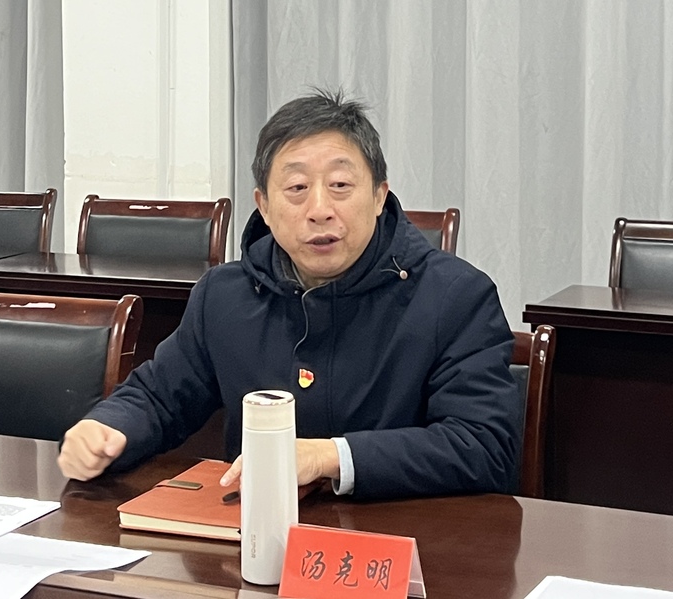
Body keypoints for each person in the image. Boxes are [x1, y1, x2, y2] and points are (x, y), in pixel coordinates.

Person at [58, 89, 520, 499]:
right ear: (263, 205)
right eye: (297, 188)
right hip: (255, 539)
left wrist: (330, 457)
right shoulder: (225, 297)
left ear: (380, 196)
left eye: (340, 186)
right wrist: (107, 427)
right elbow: (159, 397)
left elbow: (484, 446)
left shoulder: (455, 297)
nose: (319, 209)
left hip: (403, 545)